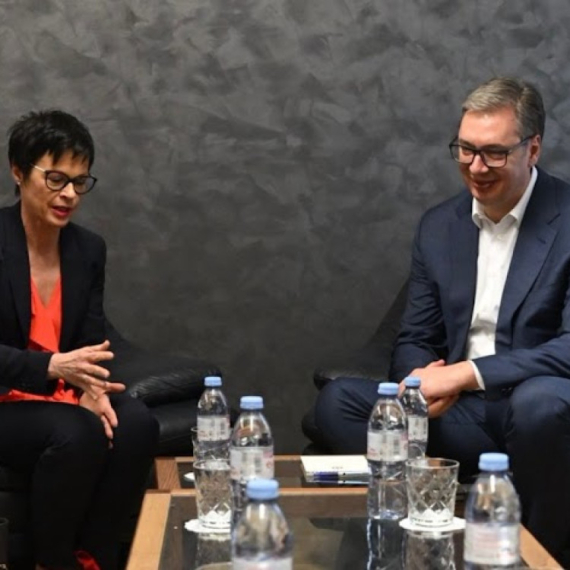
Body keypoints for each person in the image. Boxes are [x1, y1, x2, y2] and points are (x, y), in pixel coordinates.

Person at [314, 77, 570, 565]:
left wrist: (468, 372)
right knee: (339, 403)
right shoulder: (439, 226)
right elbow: (416, 335)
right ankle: (423, 539)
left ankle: (535, 556)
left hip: (541, 408)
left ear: (532, 149)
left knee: (540, 406)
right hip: (462, 416)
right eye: (466, 150)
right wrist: (417, 383)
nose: (476, 168)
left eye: (494, 153)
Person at [0, 110, 159, 570]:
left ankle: (94, 556)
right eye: (54, 178)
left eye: (79, 181)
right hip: (7, 398)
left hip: (59, 393)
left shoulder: (88, 249)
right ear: (17, 170)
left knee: (135, 424)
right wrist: (50, 370)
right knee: (76, 431)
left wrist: (92, 389)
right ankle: (51, 561)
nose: (68, 194)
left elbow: (91, 338)